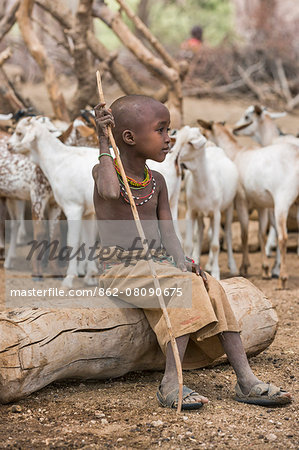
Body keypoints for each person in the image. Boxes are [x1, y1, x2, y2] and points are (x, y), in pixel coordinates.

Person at [92, 95, 292, 410]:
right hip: (120, 271)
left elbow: (168, 233)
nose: (169, 139)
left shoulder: (157, 182)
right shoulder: (107, 174)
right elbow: (108, 191)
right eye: (160, 130)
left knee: (209, 283)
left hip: (157, 267)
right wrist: (103, 139)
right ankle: (172, 381)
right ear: (128, 138)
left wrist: (183, 262)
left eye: (169, 130)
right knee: (183, 286)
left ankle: (246, 379)